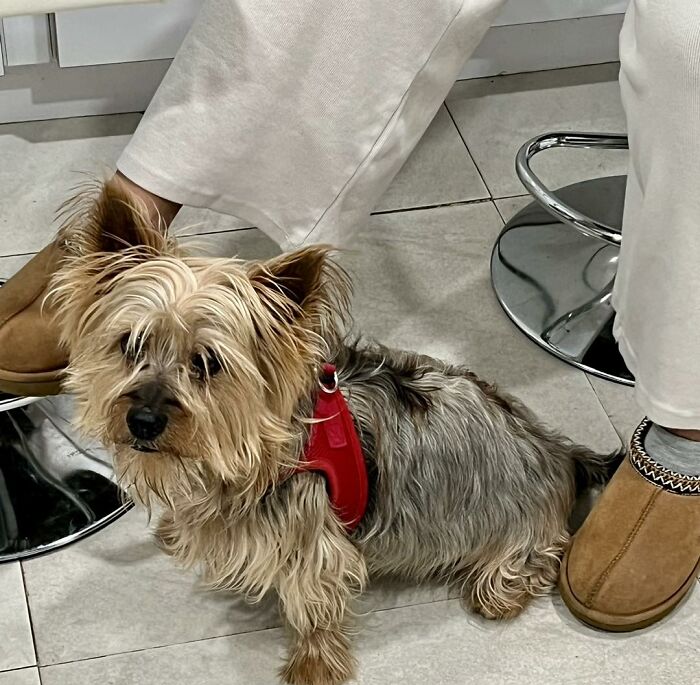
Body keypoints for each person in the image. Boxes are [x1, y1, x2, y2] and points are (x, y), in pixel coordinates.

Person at [0, 0, 697, 629]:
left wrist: (315, 643)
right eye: (132, 346)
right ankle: (133, 215)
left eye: (206, 366)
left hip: (516, 504)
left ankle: (686, 433)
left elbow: (324, 570)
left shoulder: (290, 486)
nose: (148, 404)